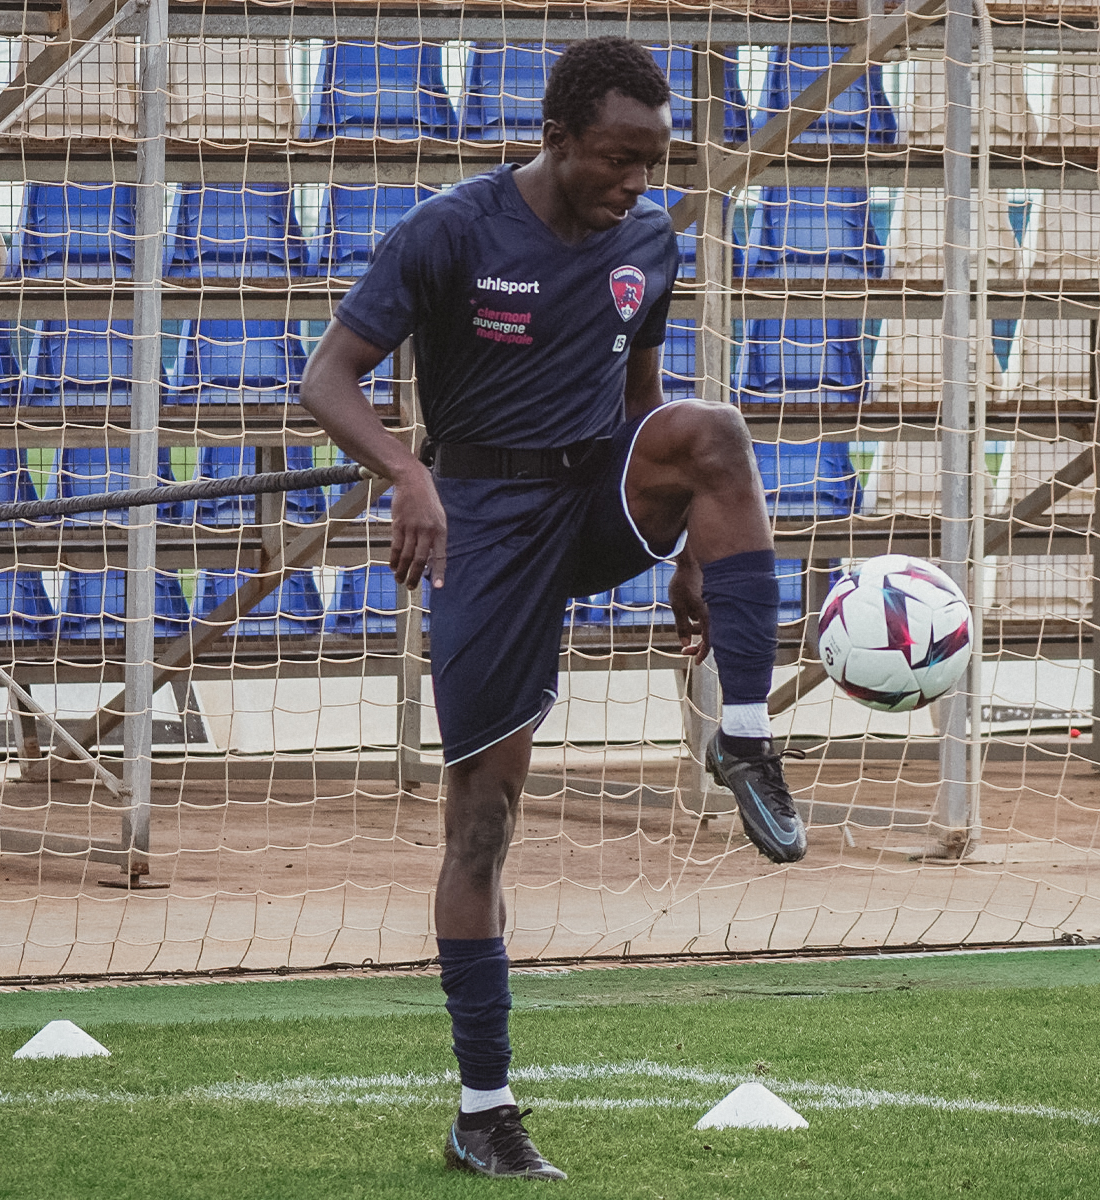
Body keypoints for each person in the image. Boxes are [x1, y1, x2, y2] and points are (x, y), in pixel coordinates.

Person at [300, 36, 805, 1181]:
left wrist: (687, 541)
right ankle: (483, 1111)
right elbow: (328, 377)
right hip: (479, 520)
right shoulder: (451, 231)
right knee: (483, 824)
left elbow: (643, 401)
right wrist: (409, 475)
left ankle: (748, 734)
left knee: (714, 434)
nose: (637, 183)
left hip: (590, 495)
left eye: (655, 162)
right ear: (557, 136)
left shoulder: (647, 242)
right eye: (618, 159)